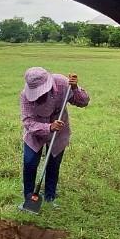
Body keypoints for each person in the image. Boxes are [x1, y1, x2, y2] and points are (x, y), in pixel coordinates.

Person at [19, 67, 90, 211]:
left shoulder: (63, 84)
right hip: (35, 133)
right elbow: (28, 122)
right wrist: (49, 127)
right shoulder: (25, 95)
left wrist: (75, 88)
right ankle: (29, 199)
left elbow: (83, 102)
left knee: (53, 165)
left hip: (59, 133)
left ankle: (50, 197)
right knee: (30, 163)